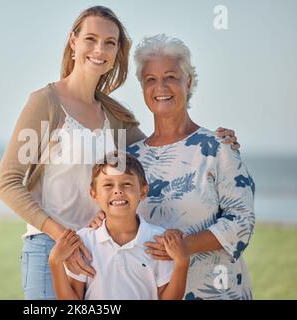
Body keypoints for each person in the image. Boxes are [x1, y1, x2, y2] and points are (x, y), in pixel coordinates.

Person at [0, 6, 239, 300]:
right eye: (91, 39)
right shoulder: (45, 103)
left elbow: (161, 153)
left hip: (100, 252)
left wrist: (212, 141)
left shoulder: (115, 116)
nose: (100, 49)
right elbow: (7, 184)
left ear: (117, 53)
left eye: (110, 42)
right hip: (52, 248)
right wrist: (64, 238)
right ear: (73, 41)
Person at [92, 34, 255, 299]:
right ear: (143, 89)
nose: (161, 87)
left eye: (171, 76)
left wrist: (183, 246)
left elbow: (242, 222)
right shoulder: (129, 160)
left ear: (188, 82)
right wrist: (103, 219)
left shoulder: (218, 147)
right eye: (151, 80)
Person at [48, 152, 189, 300]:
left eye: (127, 184)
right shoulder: (84, 241)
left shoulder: (159, 241)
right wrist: (55, 262)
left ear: (143, 191)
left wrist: (182, 263)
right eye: (108, 185)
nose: (118, 190)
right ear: (94, 194)